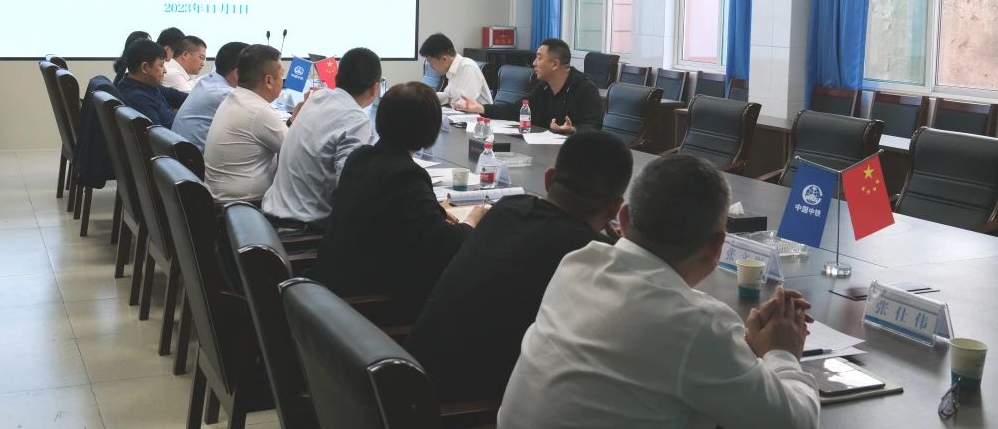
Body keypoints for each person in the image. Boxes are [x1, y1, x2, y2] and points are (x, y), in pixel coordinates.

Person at [497, 154, 819, 429]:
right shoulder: (696, 326)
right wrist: (782, 352)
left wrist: (741, 348)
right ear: (717, 247)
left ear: (624, 218)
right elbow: (795, 423)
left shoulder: (578, 263)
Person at [406, 130, 633, 403]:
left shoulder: (507, 209)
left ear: (549, 179)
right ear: (616, 209)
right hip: (462, 408)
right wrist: (619, 246)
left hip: (410, 381)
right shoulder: (595, 257)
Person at [313, 82, 489, 319]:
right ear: (429, 130)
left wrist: (433, 213)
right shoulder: (406, 175)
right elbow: (446, 246)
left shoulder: (360, 157)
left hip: (331, 289)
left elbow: (390, 212)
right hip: (368, 306)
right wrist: (473, 220)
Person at [262, 47, 380, 232]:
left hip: (271, 215)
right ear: (375, 88)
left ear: (337, 77)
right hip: (302, 229)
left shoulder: (316, 98)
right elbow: (350, 189)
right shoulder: (356, 119)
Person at [204, 44, 292, 204]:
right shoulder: (258, 111)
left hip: (221, 201)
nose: (282, 81)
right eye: (281, 76)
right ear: (269, 80)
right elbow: (296, 152)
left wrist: (293, 122)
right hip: (244, 207)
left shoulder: (234, 98)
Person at [455, 38, 603, 133]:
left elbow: (594, 127)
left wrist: (573, 129)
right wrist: (480, 108)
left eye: (539, 58)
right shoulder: (544, 87)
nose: (534, 63)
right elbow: (515, 110)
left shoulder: (584, 88)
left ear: (555, 64)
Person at [172, 41, 249, 152]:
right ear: (237, 73)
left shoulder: (207, 80)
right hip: (195, 159)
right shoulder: (226, 95)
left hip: (181, 155)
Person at [117, 39, 188, 129]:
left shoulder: (149, 85)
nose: (165, 70)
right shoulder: (139, 99)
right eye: (161, 65)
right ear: (144, 67)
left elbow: (180, 97)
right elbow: (159, 135)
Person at [419, 33, 492, 107]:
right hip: (461, 113)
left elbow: (465, 104)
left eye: (431, 63)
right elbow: (448, 95)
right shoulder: (451, 70)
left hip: (480, 114)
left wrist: (449, 100)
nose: (431, 67)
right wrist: (428, 97)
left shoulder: (468, 67)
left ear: (444, 59)